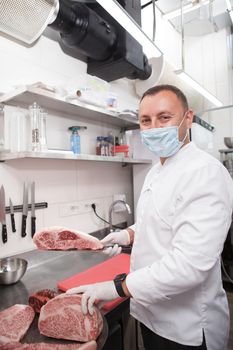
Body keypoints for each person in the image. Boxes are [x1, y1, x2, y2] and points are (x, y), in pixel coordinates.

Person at [66, 84, 233, 350]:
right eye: (146, 120)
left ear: (187, 118)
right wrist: (125, 235)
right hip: (150, 311)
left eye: (164, 117)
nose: (154, 127)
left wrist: (116, 288)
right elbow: (153, 219)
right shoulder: (157, 170)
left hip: (186, 326)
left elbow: (189, 265)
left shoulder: (205, 173)